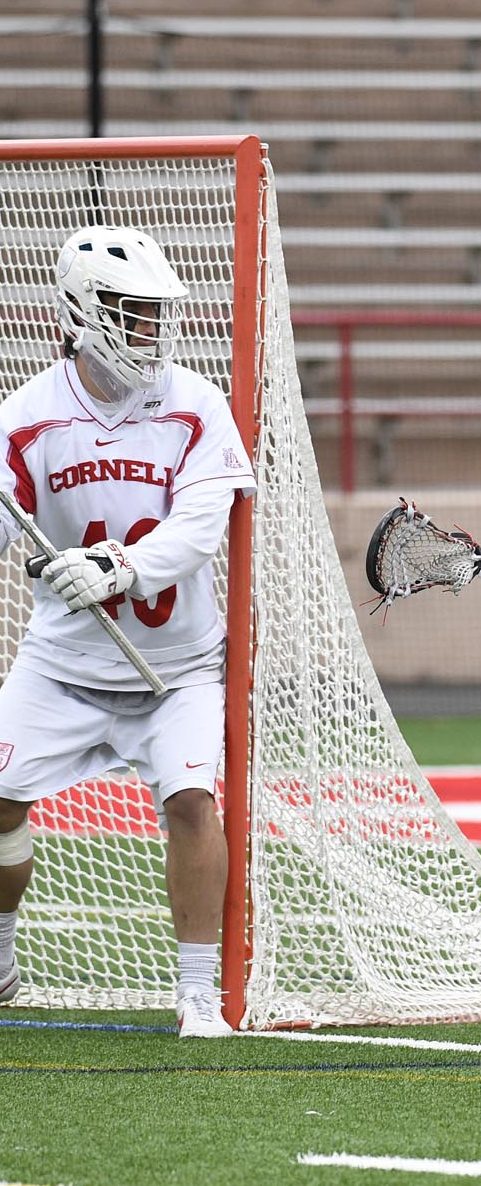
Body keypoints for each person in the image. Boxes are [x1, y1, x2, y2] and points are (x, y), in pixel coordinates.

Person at [0, 225, 256, 1037]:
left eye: (154, 314)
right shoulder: (27, 416)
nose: (150, 330)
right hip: (63, 659)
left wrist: (117, 568)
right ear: (84, 311)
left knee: (190, 801)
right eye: (133, 312)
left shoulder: (194, 405)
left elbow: (198, 529)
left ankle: (195, 995)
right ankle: (1, 962)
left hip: (178, 665)